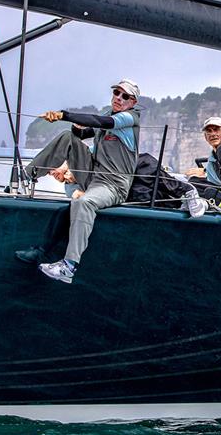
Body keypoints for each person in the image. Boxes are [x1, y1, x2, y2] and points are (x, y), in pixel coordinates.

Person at [17, 78, 141, 283]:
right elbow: (80, 134)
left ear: (133, 102)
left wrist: (62, 115)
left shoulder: (129, 119)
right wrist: (75, 125)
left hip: (114, 185)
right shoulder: (110, 116)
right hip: (93, 176)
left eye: (125, 96)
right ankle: (25, 177)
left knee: (83, 203)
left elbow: (101, 122)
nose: (118, 98)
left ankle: (69, 266)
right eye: (116, 93)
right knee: (67, 137)